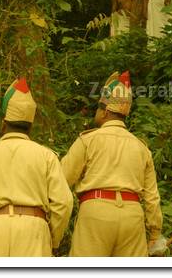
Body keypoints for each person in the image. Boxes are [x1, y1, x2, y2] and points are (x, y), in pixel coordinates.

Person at [0, 77, 73, 256]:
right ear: (30, 126)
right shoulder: (46, 156)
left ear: (4, 123)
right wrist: (53, 239)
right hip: (34, 227)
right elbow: (63, 203)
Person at [61, 71, 164, 257]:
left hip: (96, 213)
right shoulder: (141, 148)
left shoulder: (88, 140)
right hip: (132, 217)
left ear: (105, 111)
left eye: (98, 108)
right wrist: (155, 234)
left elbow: (61, 181)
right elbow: (151, 197)